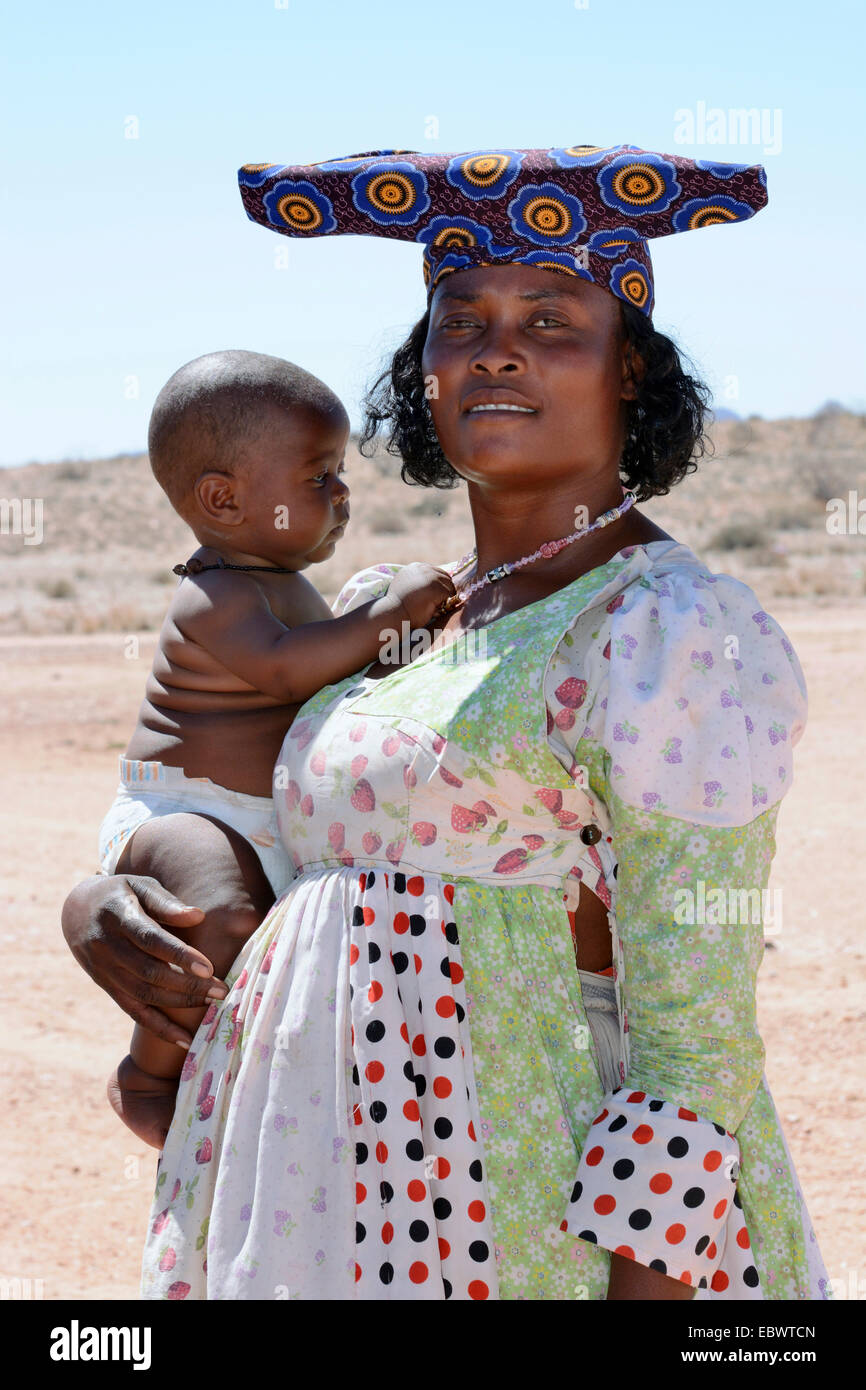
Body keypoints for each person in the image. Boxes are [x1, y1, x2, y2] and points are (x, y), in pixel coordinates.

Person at [62, 144, 831, 1301]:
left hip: (514, 1218)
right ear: (420, 369)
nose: (496, 346)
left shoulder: (663, 625)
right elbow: (250, 829)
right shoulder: (394, 613)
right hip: (319, 1202)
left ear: (630, 371)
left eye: (552, 319)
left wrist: (650, 1295)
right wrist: (100, 902)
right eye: (458, 319)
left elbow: (694, 1038)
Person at [98, 348, 455, 1149]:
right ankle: (146, 1077)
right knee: (219, 919)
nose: (342, 494)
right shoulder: (216, 594)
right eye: (317, 477)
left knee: (271, 949)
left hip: (255, 820)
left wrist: (396, 641)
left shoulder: (281, 580)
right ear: (222, 500)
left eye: (338, 473)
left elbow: (326, 677)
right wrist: (387, 612)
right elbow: (288, 667)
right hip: (184, 810)